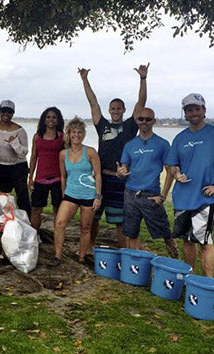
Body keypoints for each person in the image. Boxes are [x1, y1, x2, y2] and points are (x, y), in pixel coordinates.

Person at [167, 93, 214, 277]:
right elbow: (171, 164)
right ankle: (190, 278)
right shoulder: (180, 138)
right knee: (187, 240)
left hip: (204, 198)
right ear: (185, 114)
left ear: (204, 111)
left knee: (205, 242)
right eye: (189, 110)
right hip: (182, 198)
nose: (193, 113)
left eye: (197, 108)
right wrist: (176, 173)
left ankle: (207, 282)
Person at [78, 63, 149, 249]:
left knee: (120, 220)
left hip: (120, 180)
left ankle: (123, 253)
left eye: (119, 109)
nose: (116, 111)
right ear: (109, 111)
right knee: (93, 216)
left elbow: (141, 103)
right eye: (113, 109)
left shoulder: (129, 126)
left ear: (124, 111)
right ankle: (90, 249)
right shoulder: (102, 126)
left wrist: (143, 78)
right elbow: (93, 103)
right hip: (101, 179)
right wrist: (85, 79)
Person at [117, 107, 179, 258]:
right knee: (131, 233)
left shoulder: (162, 144)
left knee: (166, 233)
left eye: (148, 119)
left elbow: (170, 172)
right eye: (141, 119)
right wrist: (120, 174)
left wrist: (163, 196)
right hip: (130, 194)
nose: (144, 122)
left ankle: (177, 263)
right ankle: (134, 265)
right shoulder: (130, 145)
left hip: (151, 195)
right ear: (137, 121)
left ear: (154, 121)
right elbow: (124, 170)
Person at [53, 118, 102, 266]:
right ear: (68, 133)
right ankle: (57, 257)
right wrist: (63, 194)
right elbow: (63, 176)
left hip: (88, 194)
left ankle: (82, 257)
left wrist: (98, 196)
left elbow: (98, 175)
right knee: (59, 223)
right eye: (73, 132)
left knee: (85, 227)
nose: (76, 135)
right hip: (71, 194)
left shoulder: (90, 152)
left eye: (79, 132)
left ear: (84, 134)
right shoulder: (63, 154)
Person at [0, 100, 31, 218]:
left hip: (18, 166)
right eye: (3, 111)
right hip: (0, 166)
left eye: (9, 112)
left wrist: (14, 144)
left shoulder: (20, 131)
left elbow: (24, 152)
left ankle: (27, 219)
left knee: (22, 196)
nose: (6, 114)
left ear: (13, 114)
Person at [28, 106, 65, 230]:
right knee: (36, 209)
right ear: (44, 119)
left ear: (58, 120)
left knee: (58, 209)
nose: (51, 120)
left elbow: (67, 158)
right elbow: (33, 158)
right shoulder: (37, 136)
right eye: (48, 117)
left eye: (54, 117)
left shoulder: (62, 137)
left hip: (57, 178)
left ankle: (58, 238)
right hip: (40, 178)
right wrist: (30, 177)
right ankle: (34, 235)